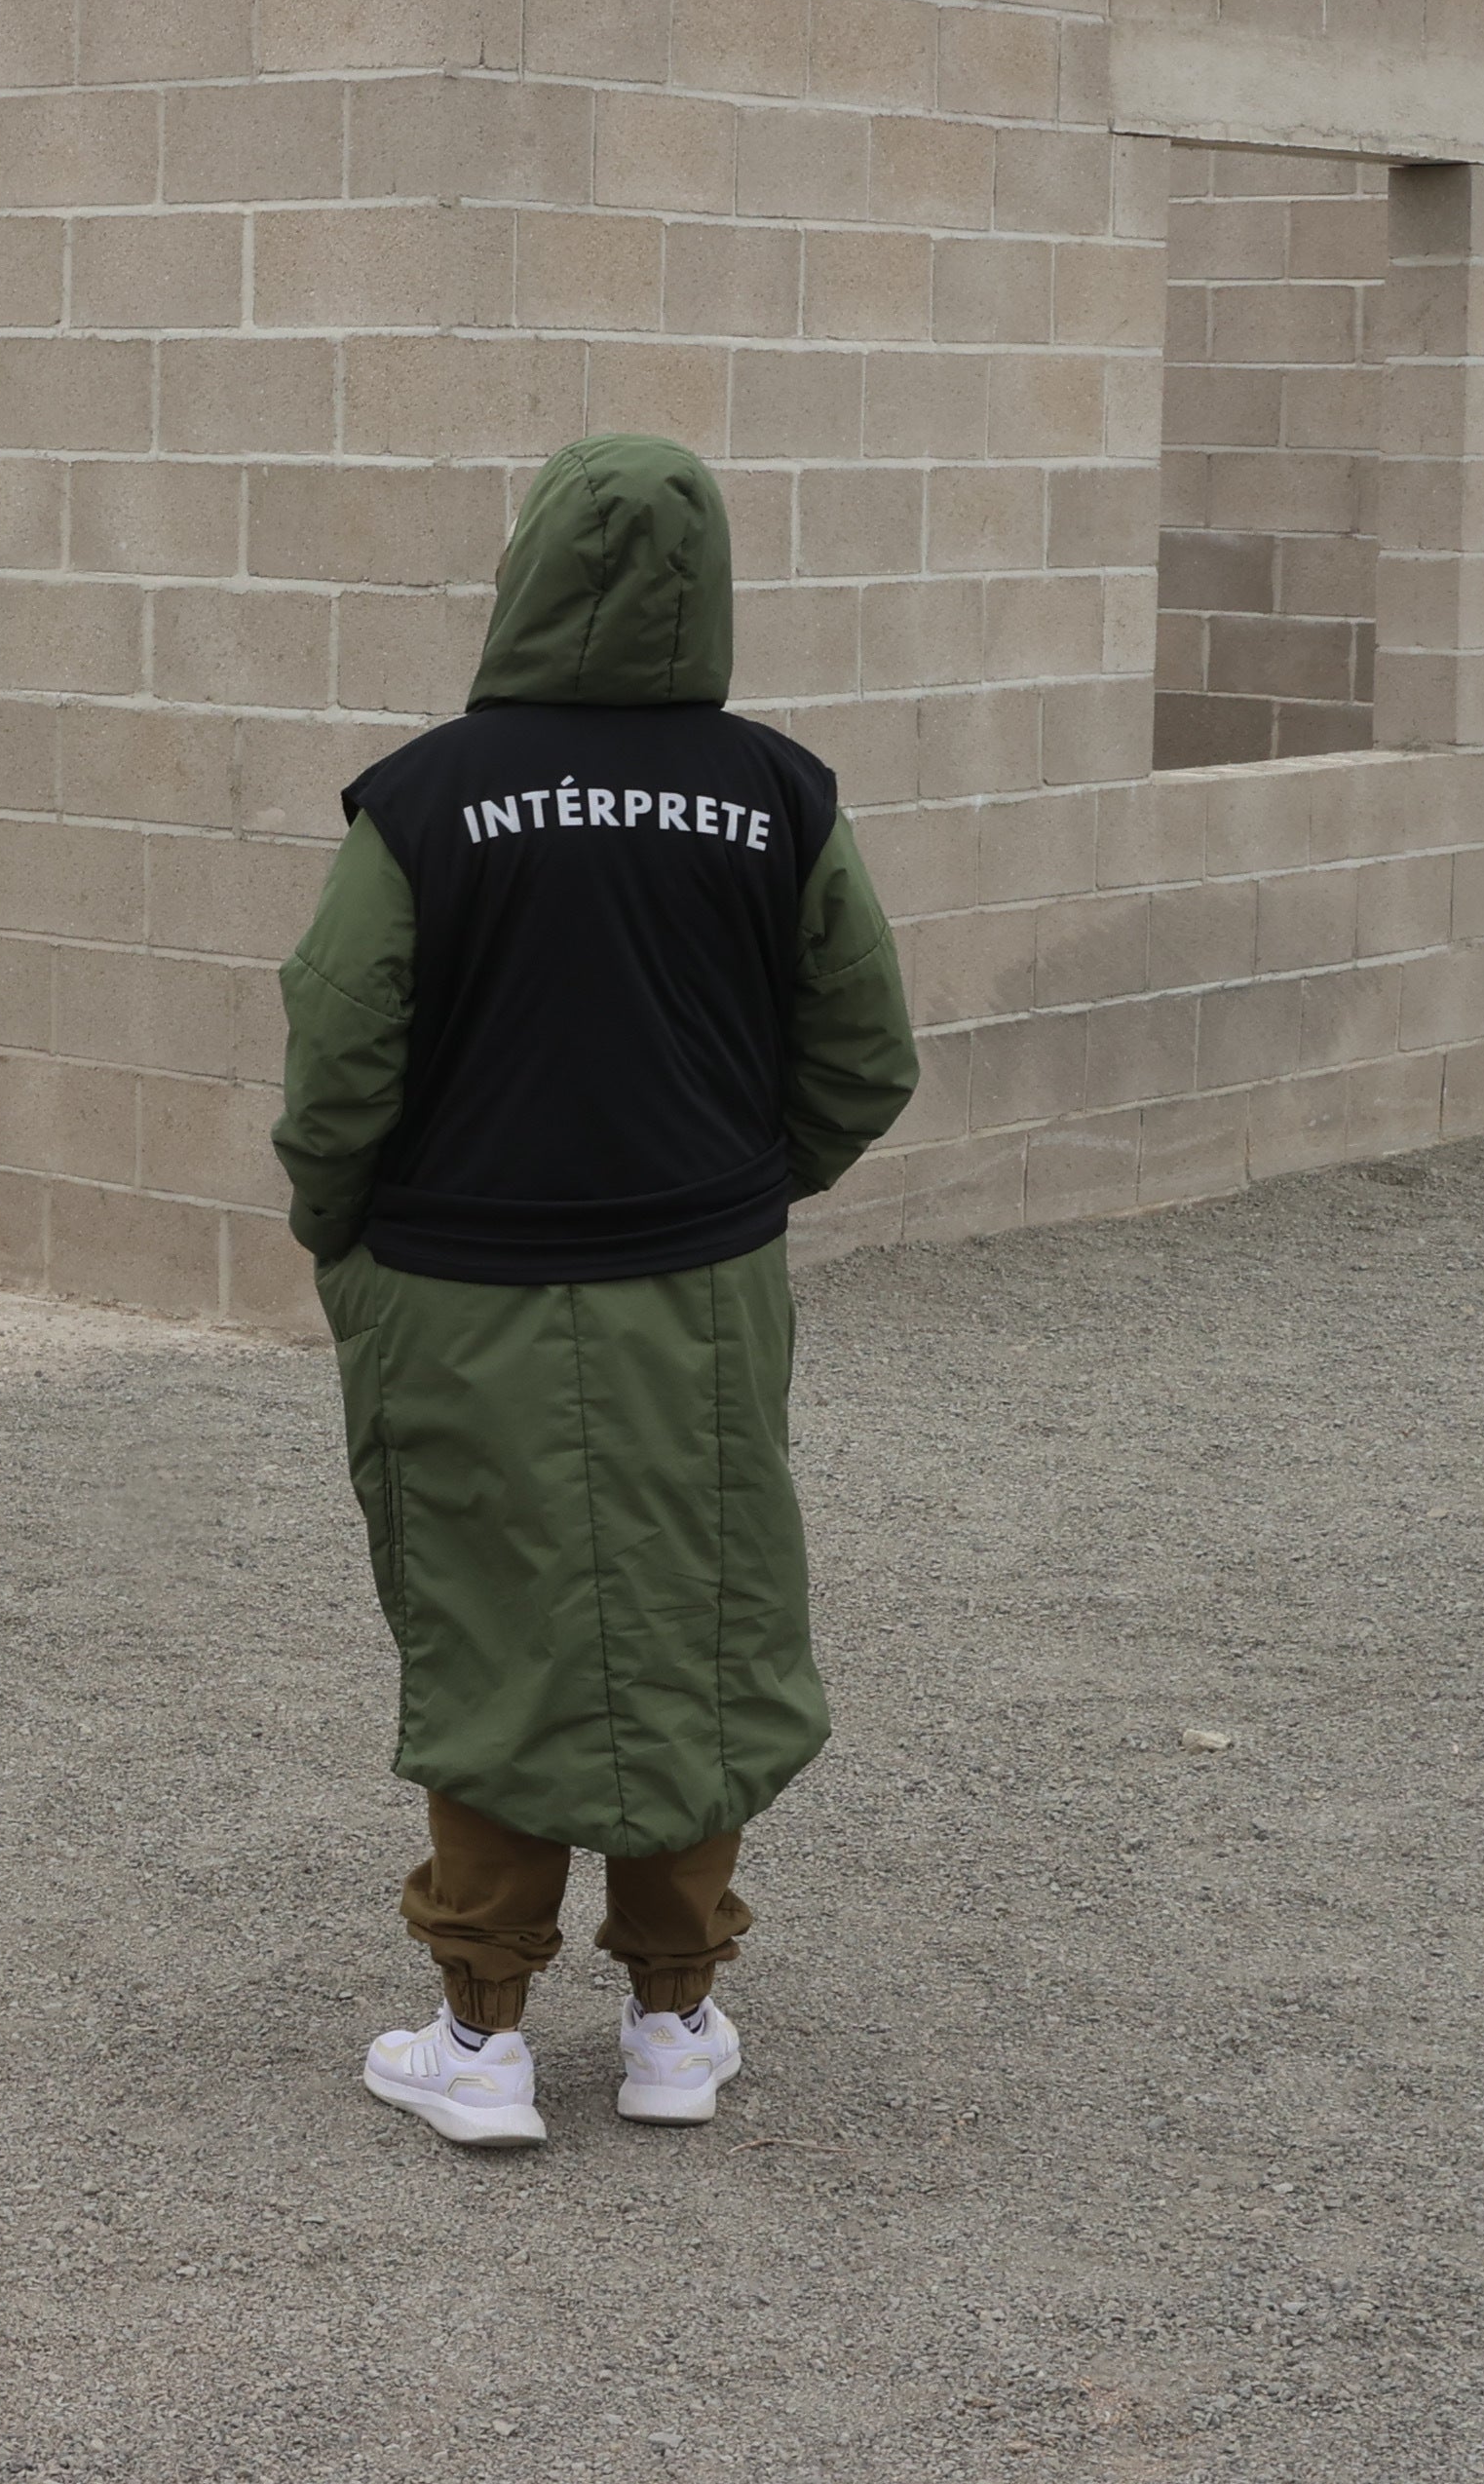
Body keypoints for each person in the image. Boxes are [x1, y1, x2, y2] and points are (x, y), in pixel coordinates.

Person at [271, 434, 922, 2148]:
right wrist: (743, 1180)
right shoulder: (779, 794)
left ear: (527, 573)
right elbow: (865, 1053)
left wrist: (339, 1224)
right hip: (696, 1280)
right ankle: (673, 2017)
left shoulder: (421, 798)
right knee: (697, 1619)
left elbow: (341, 1049)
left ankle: (477, 2034)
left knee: (496, 1626)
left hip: (456, 1282)